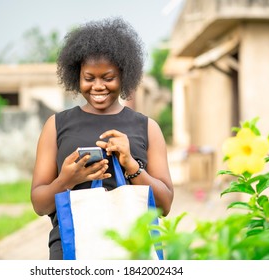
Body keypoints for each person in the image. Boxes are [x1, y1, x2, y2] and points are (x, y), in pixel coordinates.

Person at [31, 17, 174, 260]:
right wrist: (66, 180)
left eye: (108, 78)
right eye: (89, 78)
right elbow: (39, 204)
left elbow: (165, 205)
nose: (98, 86)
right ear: (77, 76)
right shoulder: (56, 125)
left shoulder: (147, 127)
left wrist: (131, 165)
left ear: (124, 76)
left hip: (133, 251)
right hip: (71, 251)